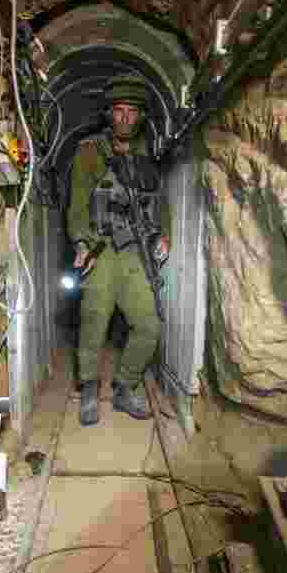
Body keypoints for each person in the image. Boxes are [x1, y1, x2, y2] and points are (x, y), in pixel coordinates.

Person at [66, 74, 170, 426]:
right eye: (119, 111)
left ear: (140, 116)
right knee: (94, 322)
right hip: (102, 248)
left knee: (149, 324)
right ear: (109, 114)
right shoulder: (90, 152)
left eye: (132, 112)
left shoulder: (146, 154)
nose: (125, 118)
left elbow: (158, 199)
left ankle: (126, 385)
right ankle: (90, 389)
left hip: (134, 251)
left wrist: (163, 233)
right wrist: (81, 243)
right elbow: (79, 202)